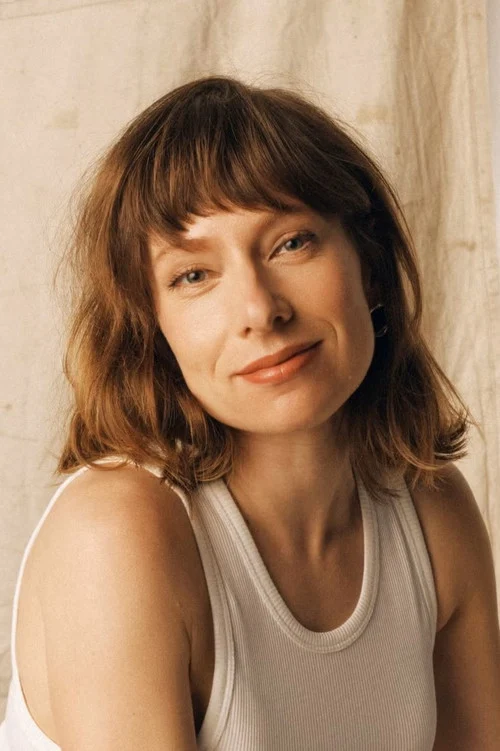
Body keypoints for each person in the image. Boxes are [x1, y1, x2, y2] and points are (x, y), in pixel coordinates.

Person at [1, 75, 499, 751]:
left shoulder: (433, 510)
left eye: (290, 243)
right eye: (193, 275)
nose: (261, 311)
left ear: (371, 265)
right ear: (152, 328)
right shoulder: (118, 533)